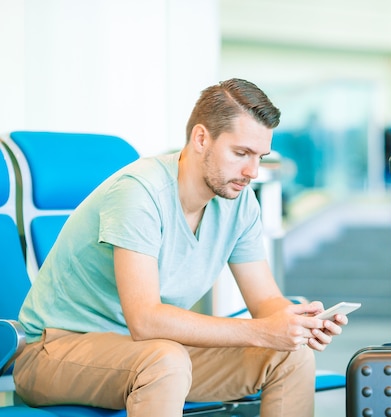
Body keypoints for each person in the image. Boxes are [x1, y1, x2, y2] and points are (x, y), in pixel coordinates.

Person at [14, 78, 347, 417]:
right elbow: (144, 320)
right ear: (201, 138)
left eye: (260, 156)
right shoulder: (138, 193)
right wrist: (261, 331)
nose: (253, 171)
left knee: (291, 357)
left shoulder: (239, 203)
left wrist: (297, 323)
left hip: (147, 351)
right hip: (54, 351)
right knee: (164, 360)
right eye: (240, 153)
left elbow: (264, 301)